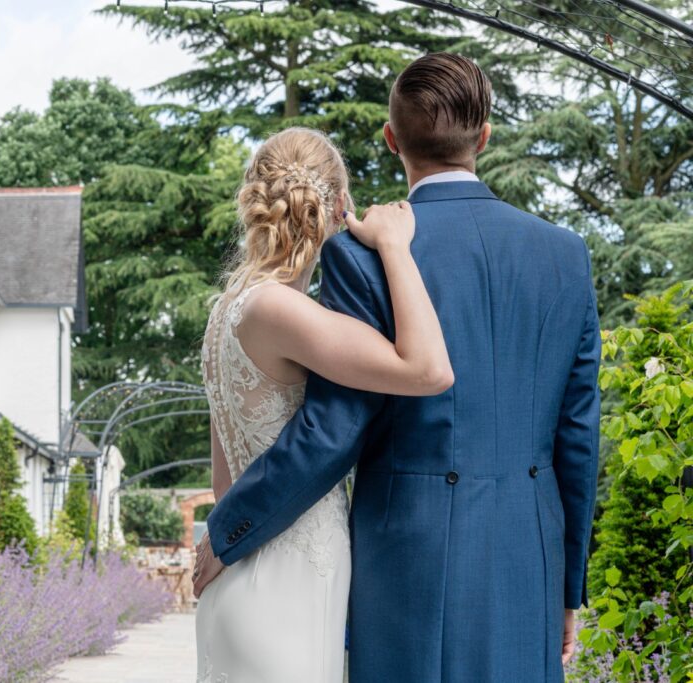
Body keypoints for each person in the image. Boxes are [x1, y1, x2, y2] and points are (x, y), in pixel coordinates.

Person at [195, 53, 601, 683]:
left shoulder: (361, 256)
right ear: (485, 135)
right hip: (531, 555)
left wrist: (230, 528)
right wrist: (569, 585)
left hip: (404, 558)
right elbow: (578, 436)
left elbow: (332, 430)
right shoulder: (566, 255)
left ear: (391, 140)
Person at [195, 125, 453, 683]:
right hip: (288, 586)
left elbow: (225, 485)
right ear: (339, 207)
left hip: (242, 579)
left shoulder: (227, 312)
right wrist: (393, 247)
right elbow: (429, 370)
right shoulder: (281, 311)